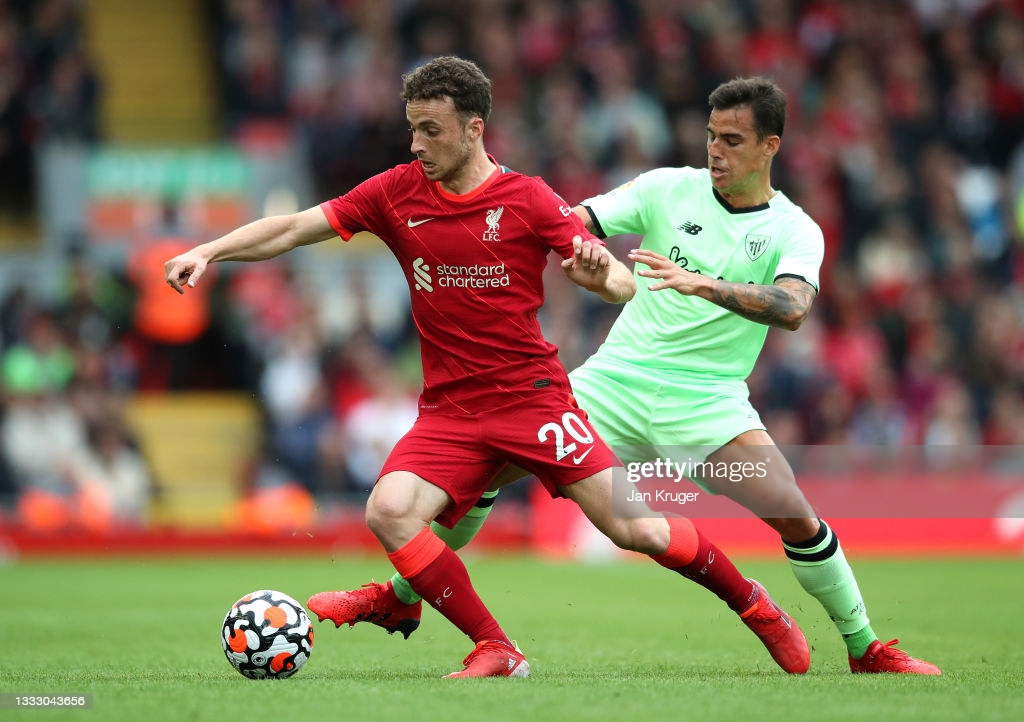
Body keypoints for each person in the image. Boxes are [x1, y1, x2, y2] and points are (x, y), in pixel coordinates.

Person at [165, 57, 809, 679]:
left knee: (634, 527)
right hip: (449, 410)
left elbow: (616, 278)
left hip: (535, 402)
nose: (416, 143)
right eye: (412, 128)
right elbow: (293, 228)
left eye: (431, 130)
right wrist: (209, 250)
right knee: (388, 511)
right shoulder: (394, 192)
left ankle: (753, 602)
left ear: (475, 128)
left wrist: (601, 277)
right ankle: (496, 646)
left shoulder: (527, 198)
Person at [325, 76, 941, 675]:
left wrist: (705, 284)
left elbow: (792, 309)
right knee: (481, 468)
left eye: (731, 140)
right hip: (609, 386)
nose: (714, 151)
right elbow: (571, 221)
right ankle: (401, 599)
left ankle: (864, 648)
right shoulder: (667, 188)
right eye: (710, 135)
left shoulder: (793, 229)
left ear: (769, 147)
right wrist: (575, 253)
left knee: (796, 518)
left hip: (708, 405)